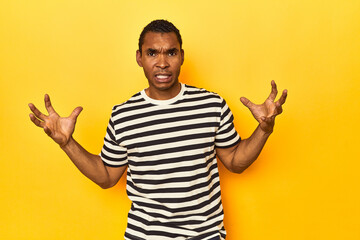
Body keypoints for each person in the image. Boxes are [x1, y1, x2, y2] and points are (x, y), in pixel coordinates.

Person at [28, 20, 287, 240]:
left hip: (205, 234)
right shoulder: (123, 115)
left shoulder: (211, 105)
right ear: (139, 57)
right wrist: (66, 143)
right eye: (152, 53)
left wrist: (264, 130)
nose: (162, 62)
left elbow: (235, 162)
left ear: (182, 56)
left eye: (171, 53)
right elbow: (106, 177)